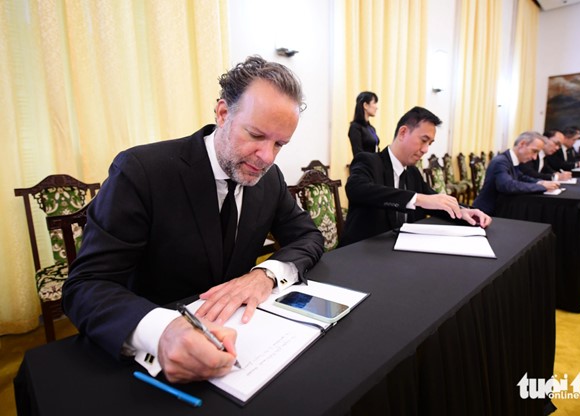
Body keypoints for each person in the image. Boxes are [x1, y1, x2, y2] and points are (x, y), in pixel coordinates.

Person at [62, 56, 324, 383]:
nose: (267, 157)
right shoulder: (142, 171)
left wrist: (265, 274)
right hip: (149, 367)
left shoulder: (269, 179)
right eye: (257, 135)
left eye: (279, 144)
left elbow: (309, 237)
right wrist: (161, 331)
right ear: (223, 113)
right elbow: (86, 286)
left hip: (240, 344)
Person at [340, 106, 491, 246]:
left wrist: (463, 211)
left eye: (429, 144)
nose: (425, 149)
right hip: (363, 251)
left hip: (400, 252)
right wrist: (417, 199)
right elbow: (356, 189)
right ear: (403, 132)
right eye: (423, 141)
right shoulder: (368, 160)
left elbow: (435, 203)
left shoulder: (412, 172)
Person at [473, 131, 560, 216]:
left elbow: (521, 177)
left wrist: (540, 182)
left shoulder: (511, 160)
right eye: (534, 151)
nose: (534, 157)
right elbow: (508, 185)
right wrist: (542, 187)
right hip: (488, 213)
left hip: (502, 208)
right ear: (522, 144)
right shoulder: (501, 161)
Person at [348, 91, 380, 156]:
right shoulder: (355, 127)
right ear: (365, 105)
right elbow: (358, 153)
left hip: (373, 164)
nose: (376, 107)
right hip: (364, 165)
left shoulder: (371, 128)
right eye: (374, 103)